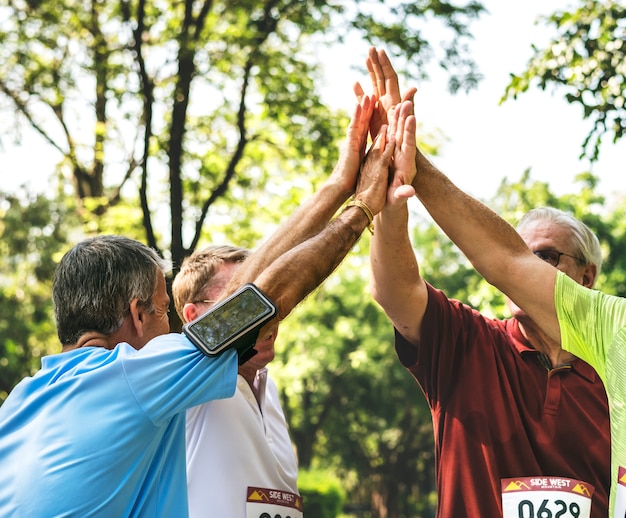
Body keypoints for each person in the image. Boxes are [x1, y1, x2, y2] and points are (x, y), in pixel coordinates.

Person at [0, 94, 395, 516]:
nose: (173, 332)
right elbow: (250, 303)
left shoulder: (20, 403)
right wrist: (363, 206)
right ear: (137, 315)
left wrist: (337, 185)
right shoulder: (132, 375)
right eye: (163, 313)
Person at [360, 48, 611, 517]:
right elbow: (394, 290)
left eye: (547, 259)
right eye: (525, 257)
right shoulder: (470, 341)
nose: (526, 272)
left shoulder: (615, 360)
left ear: (587, 276)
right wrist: (393, 205)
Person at [172, 245, 300, 518]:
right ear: (194, 317)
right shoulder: (190, 380)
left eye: (268, 297)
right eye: (243, 301)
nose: (267, 313)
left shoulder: (269, 386)